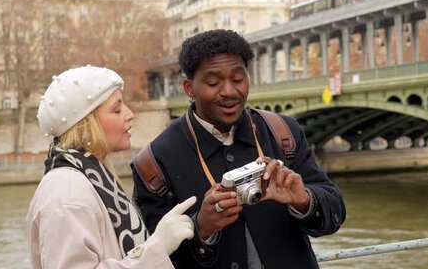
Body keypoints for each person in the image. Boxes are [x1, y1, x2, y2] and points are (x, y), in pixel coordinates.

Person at [131, 30, 346, 268]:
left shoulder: (283, 132)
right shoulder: (153, 163)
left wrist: (304, 200)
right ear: (189, 88)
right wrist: (201, 228)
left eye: (238, 79)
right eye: (213, 82)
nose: (229, 91)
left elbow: (335, 212)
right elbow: (152, 256)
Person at [27, 65, 196, 269]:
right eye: (117, 109)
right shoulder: (69, 195)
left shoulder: (85, 178)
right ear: (85, 125)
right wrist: (157, 248)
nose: (130, 114)